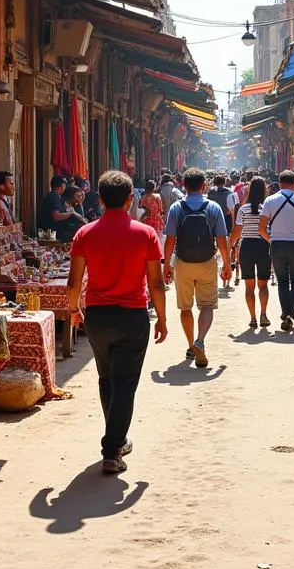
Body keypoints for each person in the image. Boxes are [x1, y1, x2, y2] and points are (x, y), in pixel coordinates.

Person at [68, 171, 167, 475]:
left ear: (99, 199)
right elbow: (157, 283)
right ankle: (113, 448)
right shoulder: (145, 234)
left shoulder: (85, 233)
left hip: (98, 316)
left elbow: (74, 280)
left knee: (107, 379)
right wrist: (162, 317)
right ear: (130, 199)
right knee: (125, 384)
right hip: (132, 315)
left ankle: (116, 440)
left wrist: (73, 309)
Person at [163, 167, 231, 368]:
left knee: (186, 307)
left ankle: (190, 345)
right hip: (207, 262)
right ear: (204, 186)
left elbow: (170, 240)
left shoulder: (177, 208)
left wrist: (166, 265)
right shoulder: (213, 208)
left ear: (184, 186)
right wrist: (227, 264)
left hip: (183, 263)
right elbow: (222, 240)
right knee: (207, 305)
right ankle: (200, 340)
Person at [259, 170, 294, 332]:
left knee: (282, 281)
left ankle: (285, 312)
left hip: (277, 245)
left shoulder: (270, 201)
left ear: (279, 182)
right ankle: (290, 314)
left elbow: (261, 229)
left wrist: (273, 239)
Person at [229, 177, 271, 329]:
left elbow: (236, 232)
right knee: (263, 285)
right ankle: (264, 314)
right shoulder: (267, 209)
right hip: (263, 246)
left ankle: (253, 318)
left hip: (246, 247)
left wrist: (229, 248)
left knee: (249, 286)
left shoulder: (243, 209)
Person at [207, 174, 237, 290]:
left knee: (213, 251)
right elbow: (231, 210)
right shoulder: (229, 193)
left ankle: (212, 277)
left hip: (211, 224)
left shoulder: (210, 193)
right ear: (224, 182)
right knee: (227, 249)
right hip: (226, 223)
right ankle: (226, 278)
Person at [140, 179, 165, 255]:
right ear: (154, 187)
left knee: (149, 239)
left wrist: (141, 219)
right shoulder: (157, 197)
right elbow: (161, 210)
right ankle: (158, 254)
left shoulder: (144, 198)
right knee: (158, 239)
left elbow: (146, 211)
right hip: (157, 220)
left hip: (148, 220)